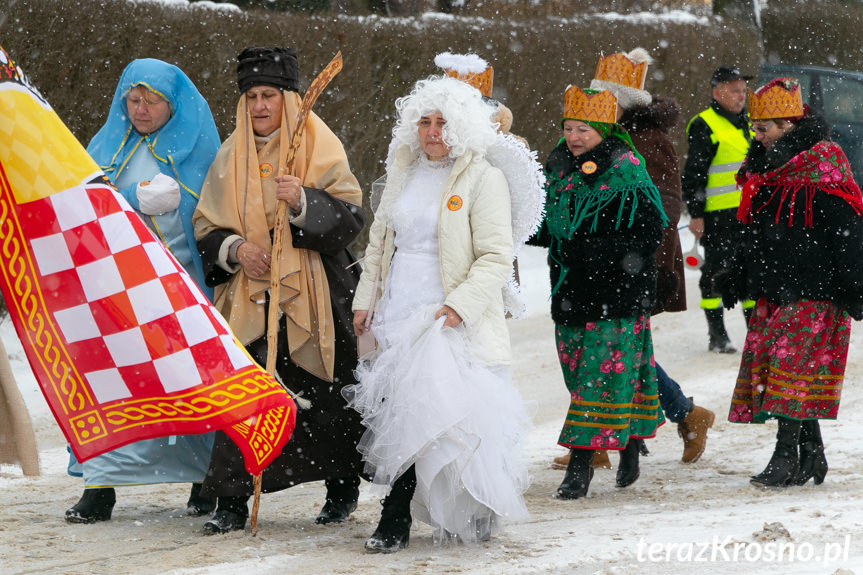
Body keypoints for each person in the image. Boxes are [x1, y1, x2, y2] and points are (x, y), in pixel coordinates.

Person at [347, 75, 538, 553]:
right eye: (425, 122)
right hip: (397, 309)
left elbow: (495, 256)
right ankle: (438, 508)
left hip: (446, 317)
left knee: (440, 416)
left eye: (443, 123)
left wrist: (458, 306)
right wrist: (365, 299)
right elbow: (378, 244)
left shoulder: (482, 178)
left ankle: (398, 516)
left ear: (464, 127)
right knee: (402, 413)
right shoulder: (403, 172)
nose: (433, 132)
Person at [192, 46, 366, 534]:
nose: (260, 105)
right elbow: (205, 224)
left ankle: (341, 486)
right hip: (249, 298)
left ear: (289, 99)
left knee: (328, 395)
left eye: (269, 94)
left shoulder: (319, 142)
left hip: (315, 295)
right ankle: (231, 498)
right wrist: (235, 250)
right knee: (245, 396)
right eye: (251, 96)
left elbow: (351, 214)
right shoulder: (230, 154)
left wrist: (304, 203)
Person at [65, 58, 220, 523]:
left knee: (190, 381)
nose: (140, 109)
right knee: (110, 385)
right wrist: (133, 200)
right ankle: (101, 483)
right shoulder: (105, 145)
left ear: (176, 105)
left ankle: (204, 477)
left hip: (181, 285)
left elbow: (218, 213)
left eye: (152, 101)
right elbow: (79, 205)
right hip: (116, 291)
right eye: (132, 100)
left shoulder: (204, 150)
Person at [530, 85, 666, 500]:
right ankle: (626, 441)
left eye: (584, 130)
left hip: (618, 294)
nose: (573, 138)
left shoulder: (627, 169)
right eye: (569, 128)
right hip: (570, 291)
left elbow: (648, 233)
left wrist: (590, 251)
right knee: (578, 375)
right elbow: (548, 227)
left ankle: (580, 465)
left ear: (605, 131)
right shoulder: (558, 170)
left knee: (598, 379)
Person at [726, 77, 863, 487]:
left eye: (764, 127)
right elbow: (753, 232)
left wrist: (856, 288)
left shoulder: (823, 167)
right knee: (784, 372)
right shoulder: (765, 171)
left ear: (790, 125)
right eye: (754, 127)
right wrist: (737, 273)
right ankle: (814, 454)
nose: (758, 135)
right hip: (777, 289)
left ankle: (785, 457)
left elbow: (851, 235)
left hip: (816, 291)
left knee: (790, 372)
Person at [682, 66, 756, 353]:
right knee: (716, 273)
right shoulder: (705, 124)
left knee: (750, 272)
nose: (742, 96)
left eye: (743, 90)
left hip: (747, 214)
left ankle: (754, 334)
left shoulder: (747, 123)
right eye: (735, 90)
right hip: (718, 217)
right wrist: (696, 214)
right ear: (717, 93)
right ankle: (717, 334)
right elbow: (694, 174)